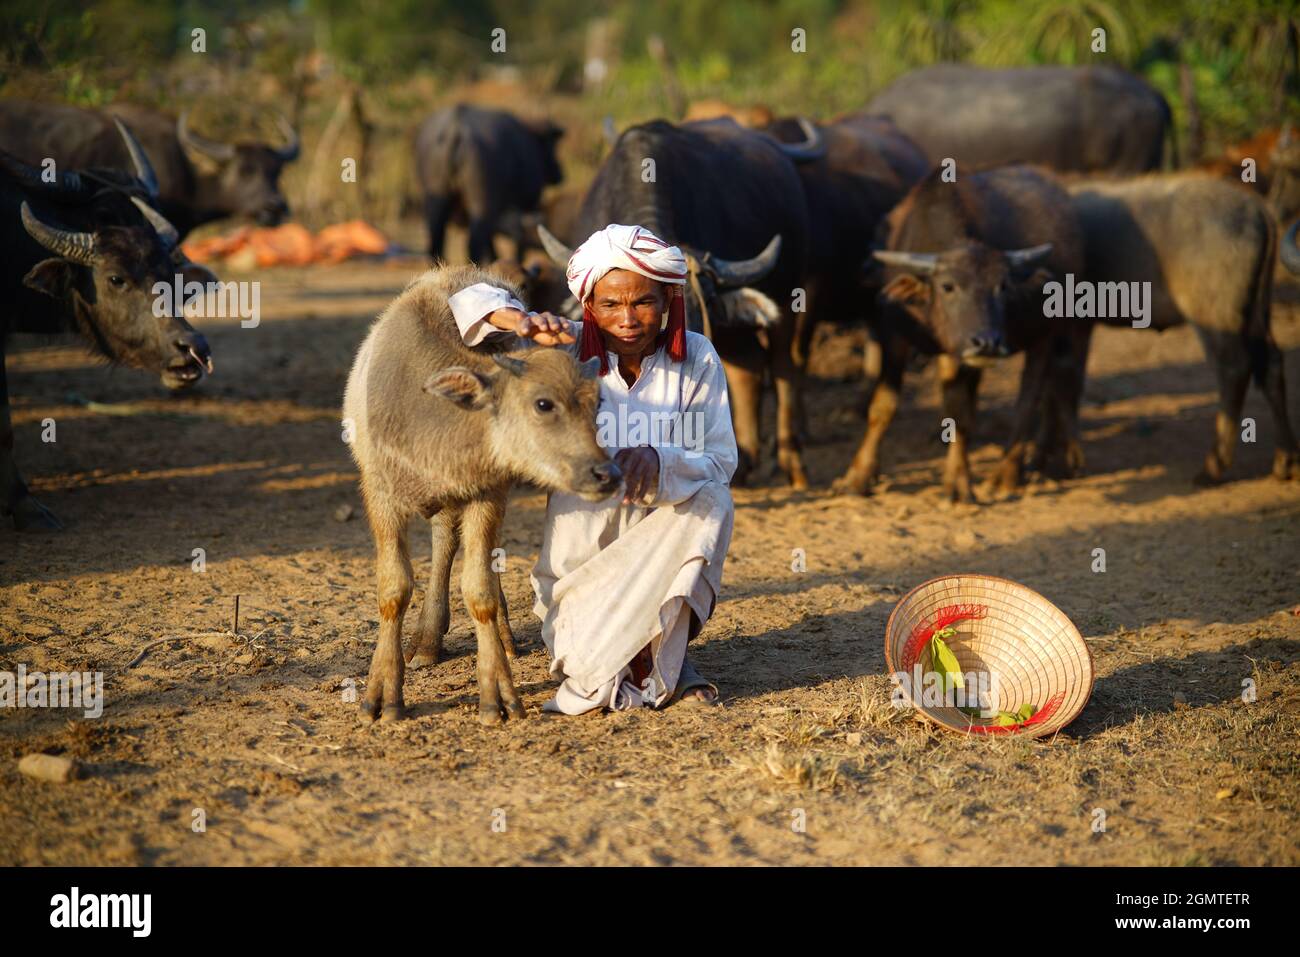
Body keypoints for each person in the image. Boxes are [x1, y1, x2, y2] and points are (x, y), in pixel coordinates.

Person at [447, 224, 737, 713]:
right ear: (588, 306)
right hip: (578, 567)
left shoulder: (698, 359)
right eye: (609, 305)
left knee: (713, 500)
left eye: (643, 302)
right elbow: (467, 296)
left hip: (658, 549)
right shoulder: (559, 350)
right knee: (590, 675)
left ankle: (667, 655)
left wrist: (662, 462)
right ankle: (613, 649)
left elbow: (720, 460)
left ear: (668, 301)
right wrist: (519, 322)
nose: (627, 319)